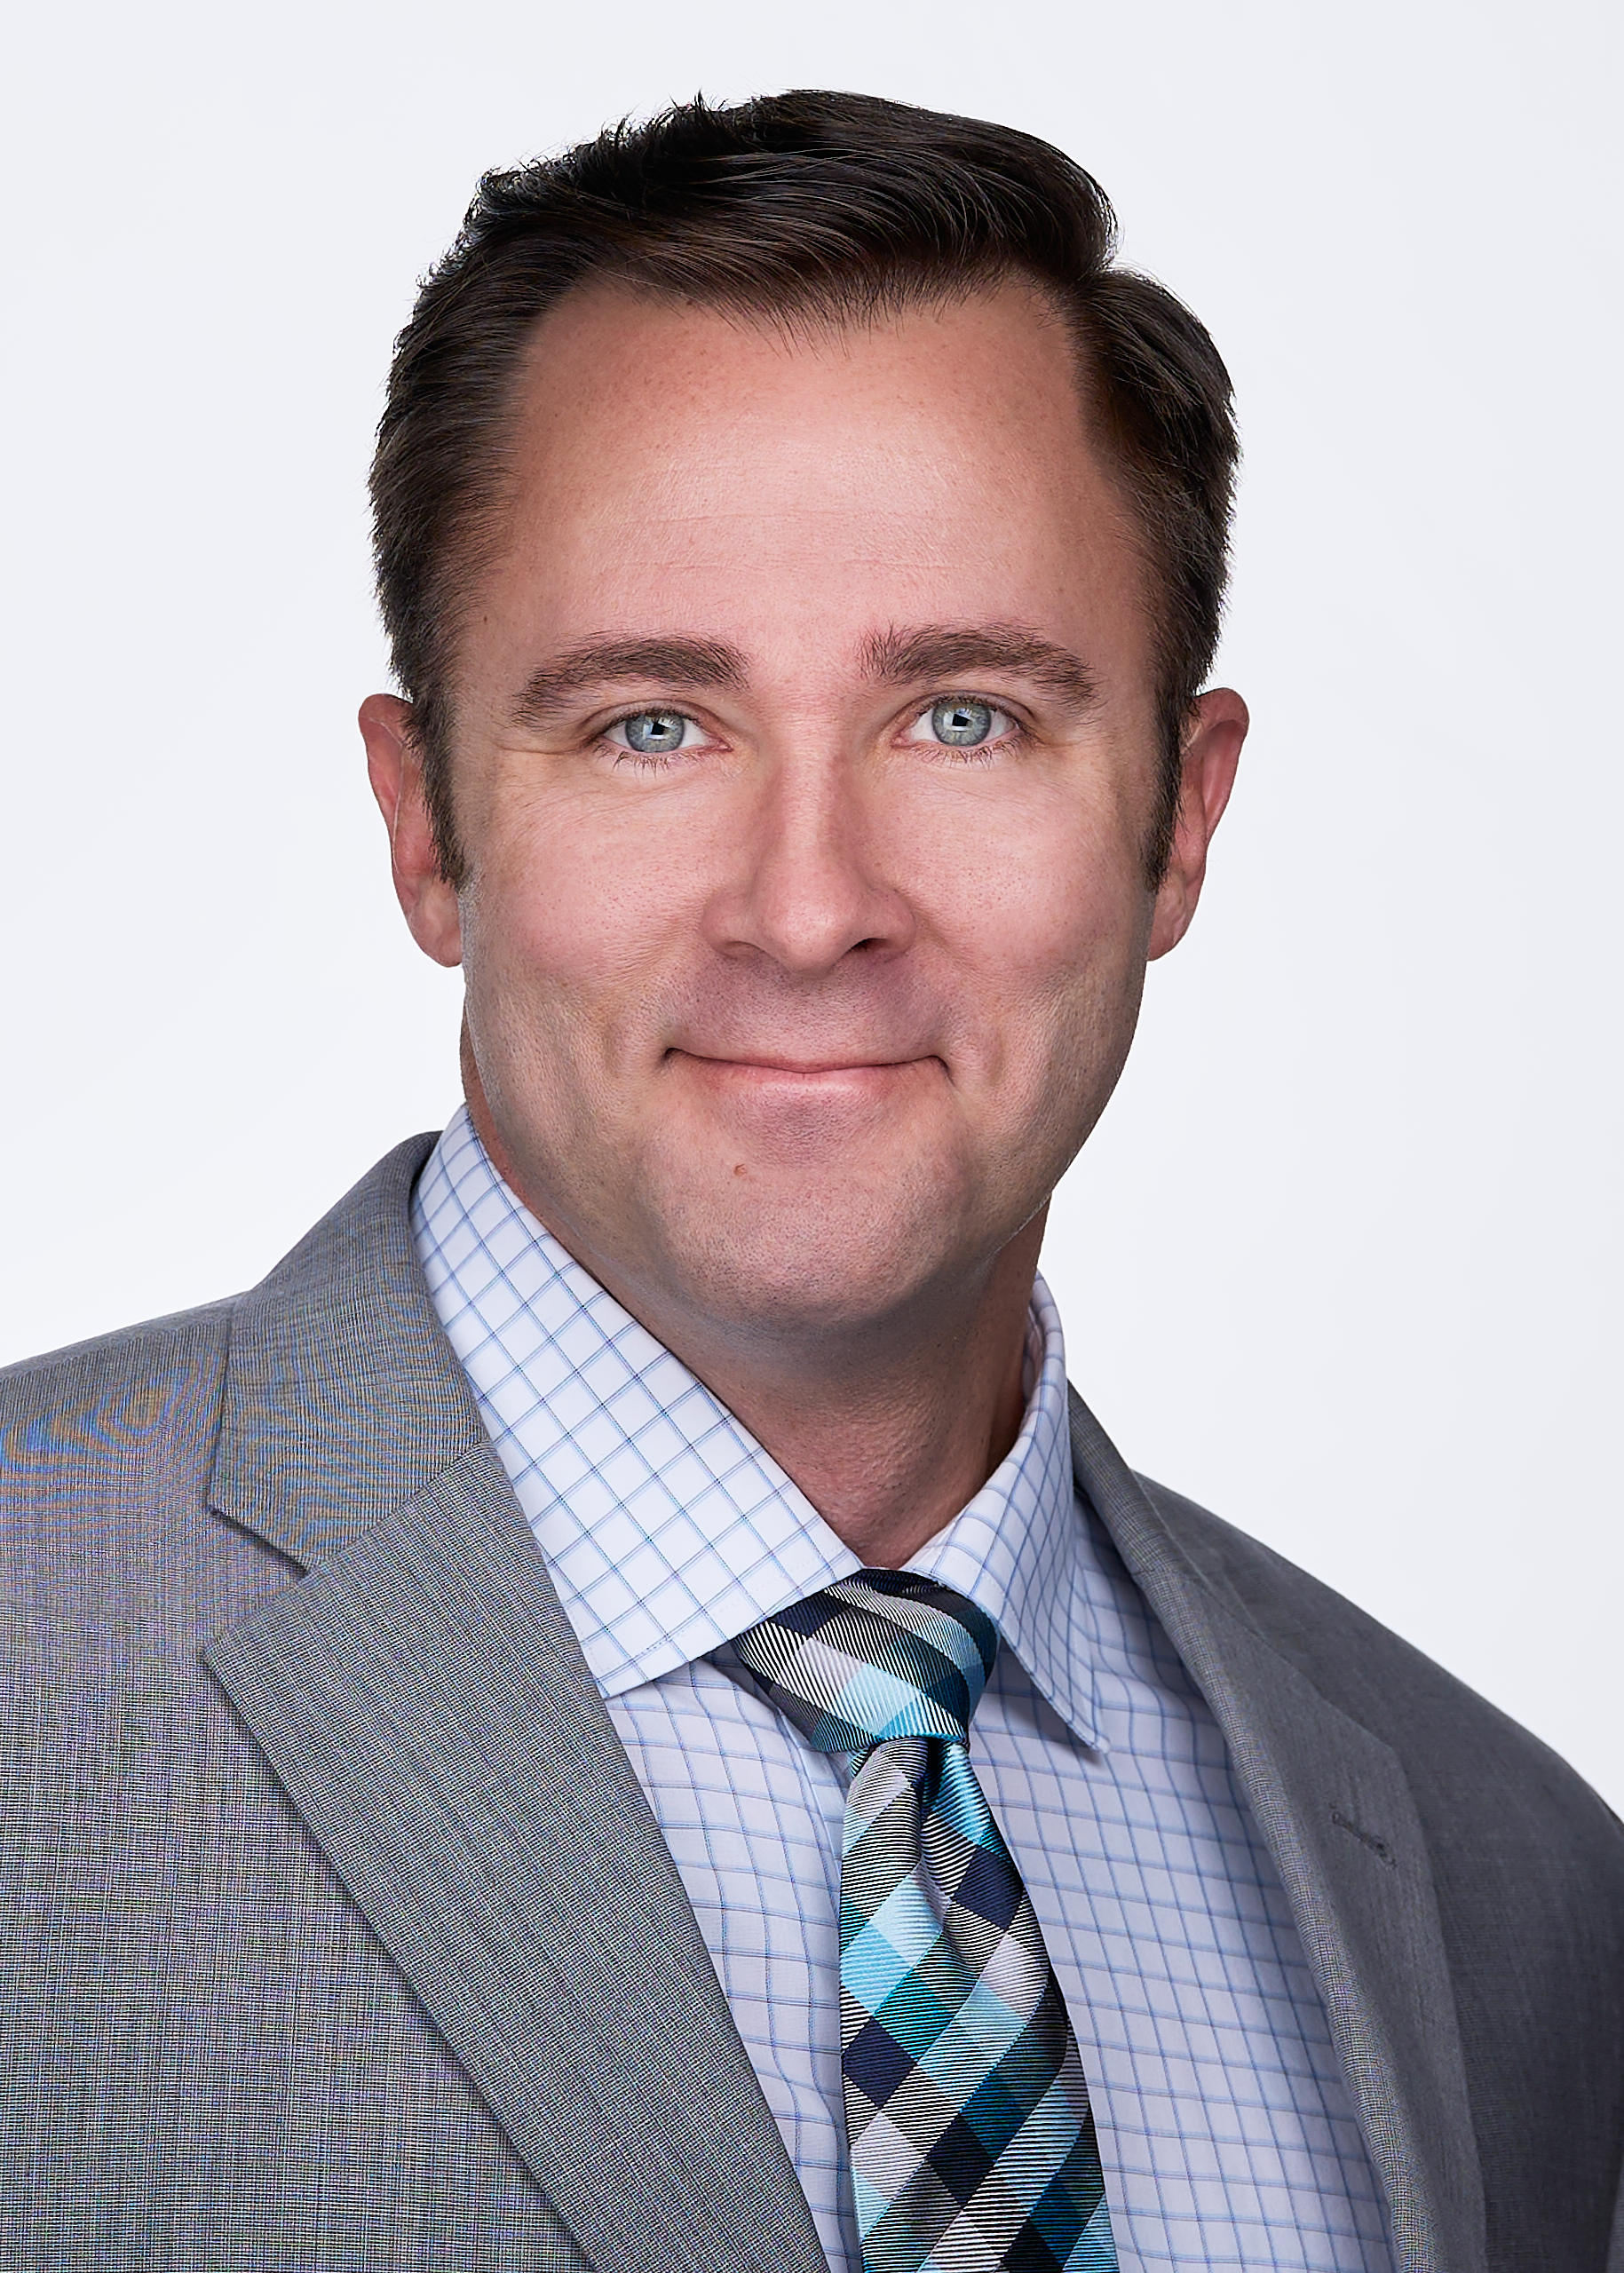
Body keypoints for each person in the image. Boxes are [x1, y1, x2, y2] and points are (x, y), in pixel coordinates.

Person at [0, 89, 1617, 2273]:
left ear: (1178, 820)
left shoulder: (1505, 1879)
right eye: (651, 722)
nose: (806, 903)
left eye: (961, 716)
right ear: (423, 824)